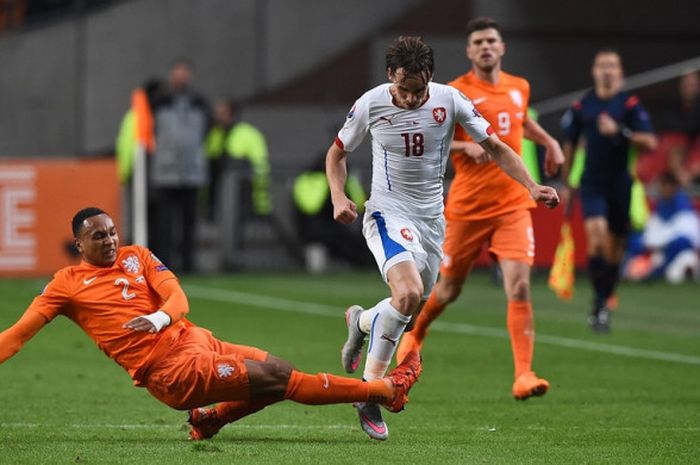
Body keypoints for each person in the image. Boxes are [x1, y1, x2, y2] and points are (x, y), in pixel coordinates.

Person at [0, 207, 422, 441]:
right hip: (171, 372)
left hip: (195, 339)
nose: (109, 240)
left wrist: (160, 316)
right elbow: (16, 337)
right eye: (98, 236)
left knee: (277, 373)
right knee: (280, 378)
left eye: (111, 232)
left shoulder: (137, 256)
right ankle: (382, 390)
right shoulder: (66, 286)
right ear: (79, 244)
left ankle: (212, 421)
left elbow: (178, 297)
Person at [326, 36, 559, 441]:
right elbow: (336, 154)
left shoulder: (450, 100)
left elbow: (497, 146)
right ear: (389, 77)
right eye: (402, 88)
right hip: (386, 212)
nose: (410, 98)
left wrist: (531, 187)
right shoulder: (372, 103)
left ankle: (361, 320)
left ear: (429, 77)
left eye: (418, 90)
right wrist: (338, 196)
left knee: (409, 310)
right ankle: (369, 394)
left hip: (433, 221)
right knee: (407, 294)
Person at [395, 17, 565, 401]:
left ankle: (524, 374)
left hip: (512, 206)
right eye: (478, 42)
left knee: (519, 285)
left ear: (502, 47)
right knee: (449, 289)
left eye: (492, 40)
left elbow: (520, 122)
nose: (486, 46)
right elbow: (423, 136)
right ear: (469, 51)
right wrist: (463, 146)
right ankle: (415, 335)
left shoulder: (520, 87)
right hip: (467, 208)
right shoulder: (452, 93)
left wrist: (550, 141)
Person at [560, 48, 657, 333]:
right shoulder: (583, 106)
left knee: (615, 250)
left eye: (612, 65)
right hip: (592, 184)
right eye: (602, 65)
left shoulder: (629, 105)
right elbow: (569, 142)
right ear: (594, 71)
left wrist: (620, 132)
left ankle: (603, 300)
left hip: (621, 185)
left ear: (619, 72)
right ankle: (599, 305)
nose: (607, 70)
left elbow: (650, 141)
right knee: (597, 239)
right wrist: (567, 185)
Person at [149, 60, 211, 273]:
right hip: (166, 173)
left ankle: (188, 264)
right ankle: (164, 265)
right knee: (164, 224)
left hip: (191, 173)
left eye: (184, 75)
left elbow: (206, 130)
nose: (181, 80)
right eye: (177, 75)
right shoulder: (160, 102)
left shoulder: (199, 103)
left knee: (189, 223)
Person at [204, 98, 272, 221]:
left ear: (231, 113)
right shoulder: (213, 134)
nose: (217, 116)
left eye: (221, 112)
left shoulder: (247, 133)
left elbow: (261, 167)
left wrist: (261, 205)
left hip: (243, 196)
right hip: (218, 200)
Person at [626, 172, 699, 283]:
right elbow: (648, 238)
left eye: (667, 185)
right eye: (663, 185)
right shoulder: (660, 207)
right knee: (634, 243)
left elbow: (686, 241)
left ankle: (657, 272)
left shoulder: (684, 209)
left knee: (679, 269)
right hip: (657, 252)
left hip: (678, 254)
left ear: (675, 187)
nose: (664, 189)